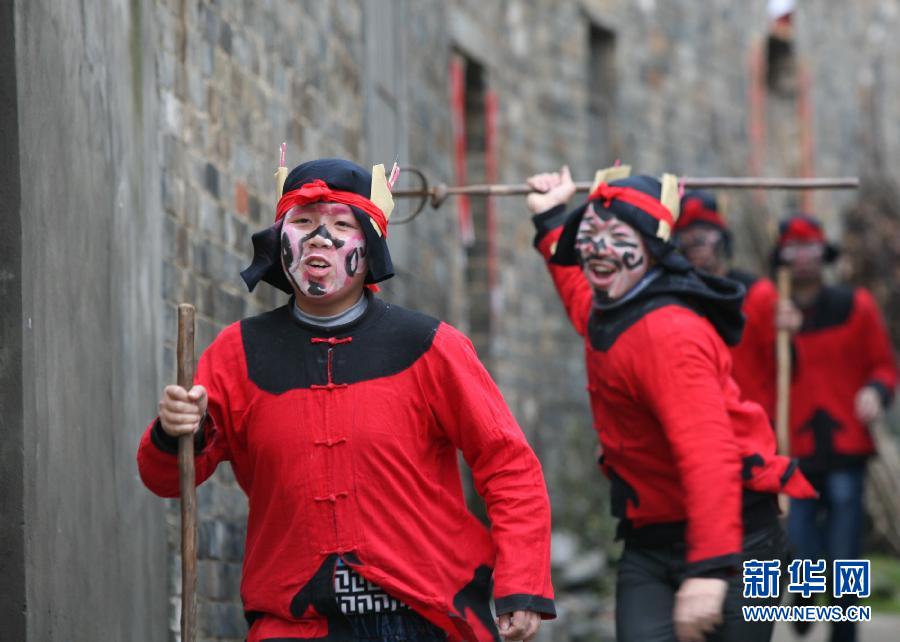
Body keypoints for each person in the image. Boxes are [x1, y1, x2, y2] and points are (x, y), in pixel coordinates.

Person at [137, 158, 555, 642]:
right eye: (303, 223)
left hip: (427, 615)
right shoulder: (236, 353)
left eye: (341, 224)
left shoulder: (432, 345)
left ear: (370, 245)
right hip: (295, 623)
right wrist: (175, 430)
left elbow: (508, 465)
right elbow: (167, 478)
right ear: (279, 243)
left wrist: (522, 584)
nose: (320, 238)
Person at [526, 166, 815, 642]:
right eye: (590, 233)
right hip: (653, 536)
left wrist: (710, 566)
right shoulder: (611, 306)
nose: (598, 248)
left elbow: (708, 455)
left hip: (737, 538)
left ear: (653, 249)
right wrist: (552, 216)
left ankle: (818, 585)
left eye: (616, 235)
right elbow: (579, 291)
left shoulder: (669, 335)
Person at [769, 214, 897, 642]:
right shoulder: (768, 311)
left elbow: (883, 364)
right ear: (783, 257)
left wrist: (876, 392)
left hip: (846, 444)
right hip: (794, 446)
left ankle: (844, 631)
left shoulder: (854, 305)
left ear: (822, 254)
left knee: (845, 550)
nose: (803, 258)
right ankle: (804, 600)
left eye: (810, 249)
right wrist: (775, 336)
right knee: (800, 537)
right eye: (794, 249)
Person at [674, 191, 778, 418]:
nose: (696, 244)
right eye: (688, 236)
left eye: (704, 235)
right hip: (695, 419)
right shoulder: (672, 299)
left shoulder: (759, 294)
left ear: (721, 237)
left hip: (750, 420)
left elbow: (781, 368)